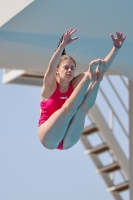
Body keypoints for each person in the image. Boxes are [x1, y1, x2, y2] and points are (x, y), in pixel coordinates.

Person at [38, 28, 126, 150]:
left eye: (72, 68)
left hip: (67, 141)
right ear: (58, 71)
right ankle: (92, 78)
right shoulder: (50, 85)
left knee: (82, 108)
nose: (70, 70)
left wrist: (116, 48)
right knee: (68, 108)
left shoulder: (76, 82)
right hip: (49, 136)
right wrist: (62, 45)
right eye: (66, 67)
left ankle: (98, 81)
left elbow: (103, 66)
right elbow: (51, 67)